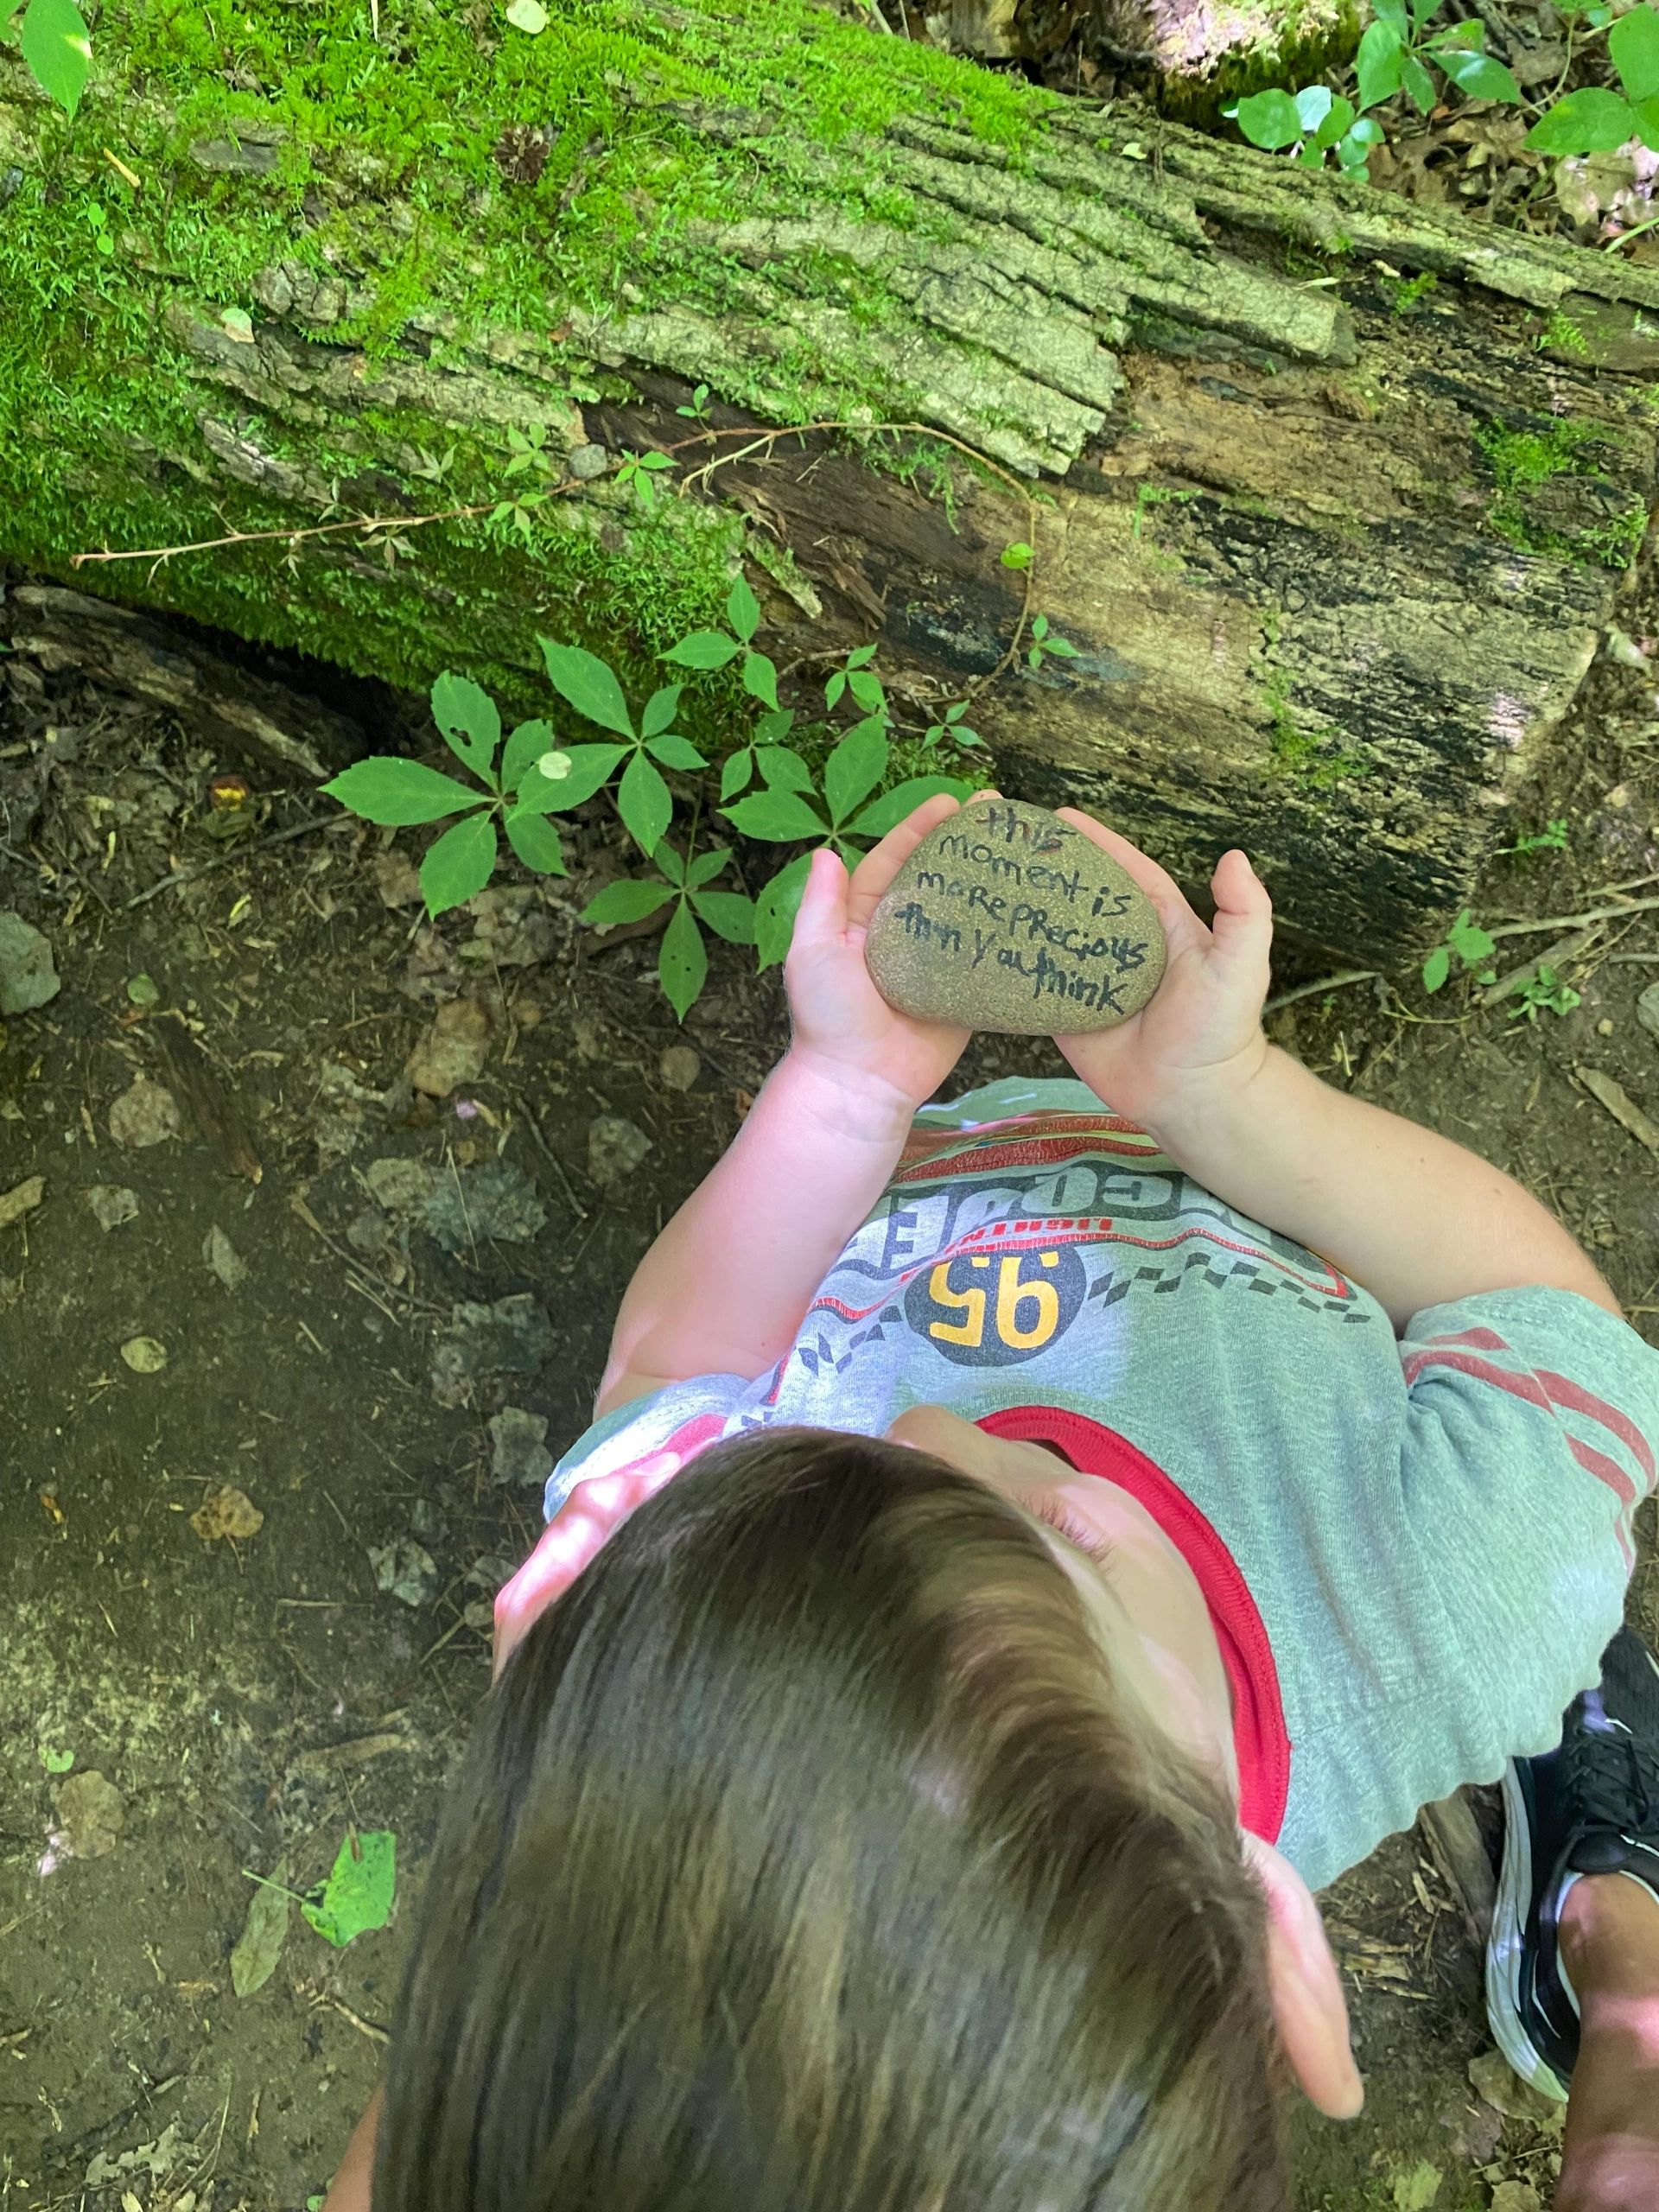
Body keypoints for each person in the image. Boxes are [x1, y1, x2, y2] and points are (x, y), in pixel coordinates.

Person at [325, 795, 1659, 2212]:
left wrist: (840, 1097)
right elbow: (1523, 1311)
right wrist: (1231, 1102)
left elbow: (678, 1367)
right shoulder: (1453, 1610)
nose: (928, 1421)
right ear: (1282, 1957)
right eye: (1054, 1535)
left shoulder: (653, 1642)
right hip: (1255, 1211)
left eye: (827, 1481)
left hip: (900, 1173)